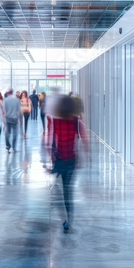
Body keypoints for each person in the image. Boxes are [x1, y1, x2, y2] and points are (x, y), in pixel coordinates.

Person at [46, 94, 89, 233]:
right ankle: (68, 218)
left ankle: (65, 218)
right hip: (71, 160)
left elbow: (48, 139)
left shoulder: (55, 121)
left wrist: (48, 157)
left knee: (57, 191)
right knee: (67, 191)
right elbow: (85, 140)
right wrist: (85, 155)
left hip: (58, 159)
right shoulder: (76, 121)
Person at [3, 88, 22, 153]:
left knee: (7, 133)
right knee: (15, 133)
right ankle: (14, 147)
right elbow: (19, 111)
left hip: (8, 119)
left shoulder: (5, 100)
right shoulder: (16, 100)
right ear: (12, 92)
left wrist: (4, 121)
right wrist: (21, 121)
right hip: (15, 119)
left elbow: (3, 111)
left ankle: (8, 145)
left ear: (8, 93)